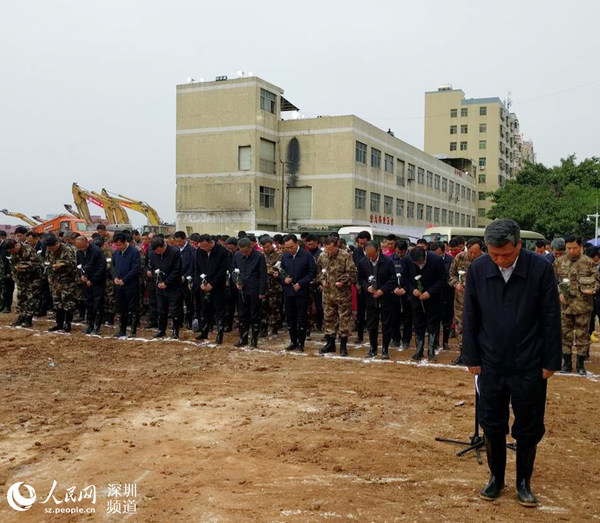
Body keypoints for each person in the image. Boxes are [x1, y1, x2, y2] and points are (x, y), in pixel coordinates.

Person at [462, 219, 562, 507]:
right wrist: (472, 356)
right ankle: (496, 479)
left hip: (529, 363)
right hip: (490, 363)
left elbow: (550, 318)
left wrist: (550, 360)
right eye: (494, 254)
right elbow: (471, 315)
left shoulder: (540, 269)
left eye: (506, 254)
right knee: (491, 422)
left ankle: (523, 482)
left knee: (528, 426)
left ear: (519, 245)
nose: (500, 260)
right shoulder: (479, 269)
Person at [554, 235, 599, 374]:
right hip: (564, 306)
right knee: (564, 335)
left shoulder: (589, 262)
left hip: (583, 306)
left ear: (581, 247)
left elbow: (597, 281)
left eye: (574, 248)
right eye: (568, 248)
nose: (571, 251)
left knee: (583, 336)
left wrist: (593, 289)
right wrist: (559, 292)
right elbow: (551, 282)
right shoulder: (558, 262)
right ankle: (566, 363)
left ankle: (580, 365)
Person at [404, 246, 446, 361]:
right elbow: (405, 278)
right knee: (418, 324)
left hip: (433, 299)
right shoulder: (408, 260)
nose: (418, 264)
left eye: (420, 262)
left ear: (425, 256)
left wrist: (430, 292)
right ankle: (419, 350)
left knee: (433, 325)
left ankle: (431, 351)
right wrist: (412, 289)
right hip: (416, 299)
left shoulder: (436, 260)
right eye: (416, 262)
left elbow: (442, 278)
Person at [317, 236, 357, 356]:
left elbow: (353, 274)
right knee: (328, 319)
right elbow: (319, 271)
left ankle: (343, 346)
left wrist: (343, 281)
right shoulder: (322, 256)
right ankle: (330, 344)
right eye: (327, 249)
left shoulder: (345, 256)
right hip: (328, 294)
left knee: (344, 320)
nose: (329, 252)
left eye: (331, 250)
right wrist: (322, 280)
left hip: (342, 294)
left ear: (337, 246)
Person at [276, 234, 316, 352]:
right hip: (288, 292)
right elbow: (280, 272)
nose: (289, 250)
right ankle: (293, 341)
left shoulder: (306, 255)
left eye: (291, 247)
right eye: (287, 247)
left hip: (302, 292)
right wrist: (284, 279)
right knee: (290, 318)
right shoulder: (285, 256)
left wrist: (301, 283)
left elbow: (312, 272)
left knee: (301, 318)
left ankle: (301, 342)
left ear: (296, 243)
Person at [357, 241, 397, 359]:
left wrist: (383, 290)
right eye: (368, 255)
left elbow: (393, 279)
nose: (371, 258)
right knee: (371, 324)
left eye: (373, 255)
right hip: (370, 298)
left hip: (385, 298)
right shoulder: (363, 263)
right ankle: (373, 348)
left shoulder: (388, 262)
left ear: (378, 251)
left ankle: (385, 349)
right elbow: (361, 278)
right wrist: (366, 287)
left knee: (386, 324)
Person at [448, 238, 484, 364]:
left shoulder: (486, 261)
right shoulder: (460, 258)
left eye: (475, 252)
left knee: (478, 326)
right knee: (460, 326)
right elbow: (451, 274)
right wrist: (456, 284)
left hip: (480, 301)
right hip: (461, 300)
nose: (472, 255)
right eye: (470, 252)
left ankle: (479, 354)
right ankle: (463, 354)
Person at [231, 238, 267, 348]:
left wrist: (262, 291)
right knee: (242, 315)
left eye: (246, 251)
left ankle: (254, 340)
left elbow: (263, 276)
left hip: (255, 290)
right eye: (242, 251)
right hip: (242, 290)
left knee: (255, 315)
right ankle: (243, 338)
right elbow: (233, 270)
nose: (244, 253)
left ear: (250, 247)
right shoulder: (237, 255)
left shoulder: (259, 256)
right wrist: (237, 281)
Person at [194, 234, 230, 344]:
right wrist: (201, 282)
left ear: (210, 243)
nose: (203, 249)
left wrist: (212, 284)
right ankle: (204, 331)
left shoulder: (222, 252)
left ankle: (220, 333)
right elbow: (197, 268)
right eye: (201, 247)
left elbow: (222, 271)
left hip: (218, 286)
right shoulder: (199, 252)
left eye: (205, 246)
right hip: (204, 286)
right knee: (205, 310)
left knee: (220, 311)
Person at [149, 237, 183, 339]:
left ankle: (175, 331)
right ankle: (161, 330)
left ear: (164, 246)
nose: (157, 253)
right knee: (161, 309)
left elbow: (177, 270)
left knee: (175, 309)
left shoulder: (175, 252)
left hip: (173, 286)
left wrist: (167, 282)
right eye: (155, 251)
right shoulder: (153, 253)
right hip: (160, 286)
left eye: (159, 250)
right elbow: (152, 268)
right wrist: (158, 280)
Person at [43, 234, 78, 332]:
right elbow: (47, 262)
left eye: (52, 247)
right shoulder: (49, 250)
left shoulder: (67, 250)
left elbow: (73, 264)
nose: (50, 249)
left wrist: (62, 265)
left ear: (57, 243)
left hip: (67, 280)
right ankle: (59, 323)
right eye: (49, 247)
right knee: (57, 302)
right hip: (55, 280)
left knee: (67, 302)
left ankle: (67, 323)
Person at [5, 238, 42, 327]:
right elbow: (13, 265)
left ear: (16, 245)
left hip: (33, 279)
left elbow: (37, 265)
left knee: (31, 298)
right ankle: (22, 316)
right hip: (21, 279)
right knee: (21, 298)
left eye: (12, 249)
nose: (12, 252)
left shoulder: (28, 250)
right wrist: (15, 276)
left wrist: (25, 267)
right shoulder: (13, 253)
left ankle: (28, 318)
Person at [112, 232, 142, 338]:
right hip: (119, 285)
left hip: (131, 284)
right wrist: (115, 277)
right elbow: (113, 267)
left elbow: (136, 268)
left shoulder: (134, 252)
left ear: (125, 242)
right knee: (121, 307)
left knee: (133, 307)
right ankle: (122, 329)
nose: (118, 247)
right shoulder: (116, 253)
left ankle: (133, 330)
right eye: (116, 245)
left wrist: (124, 279)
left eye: (120, 245)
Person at [75, 236, 106, 335]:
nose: (81, 249)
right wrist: (81, 275)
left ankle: (97, 326)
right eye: (79, 248)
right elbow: (79, 266)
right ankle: (90, 324)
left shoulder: (97, 251)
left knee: (98, 304)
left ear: (87, 243)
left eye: (83, 247)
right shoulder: (79, 252)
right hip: (86, 282)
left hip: (97, 282)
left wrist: (92, 280)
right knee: (88, 303)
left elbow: (102, 267)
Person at [430, 241, 455, 350]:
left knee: (446, 319)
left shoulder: (450, 260)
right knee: (434, 318)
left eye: (439, 254)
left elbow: (451, 276)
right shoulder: (429, 260)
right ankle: (434, 341)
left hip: (447, 293)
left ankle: (445, 342)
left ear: (444, 251)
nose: (436, 257)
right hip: (433, 294)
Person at [390, 239, 412, 349]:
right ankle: (395, 339)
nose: (399, 255)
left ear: (406, 250)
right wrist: (393, 288)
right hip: (393, 292)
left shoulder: (411, 260)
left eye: (401, 253)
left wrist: (405, 288)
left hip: (407, 293)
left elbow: (413, 277)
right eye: (397, 252)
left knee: (407, 317)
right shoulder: (390, 260)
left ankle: (407, 339)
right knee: (394, 316)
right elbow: (387, 275)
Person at [260, 236, 283, 336]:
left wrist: (278, 273)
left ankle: (274, 327)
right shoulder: (260, 255)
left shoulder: (279, 254)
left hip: (275, 285)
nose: (266, 249)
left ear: (272, 244)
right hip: (264, 285)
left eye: (268, 246)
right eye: (264, 247)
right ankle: (264, 327)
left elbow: (283, 268)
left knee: (275, 307)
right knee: (263, 306)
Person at [173, 231, 196, 330]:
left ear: (184, 239)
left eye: (179, 241)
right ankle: (179, 321)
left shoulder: (192, 250)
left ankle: (189, 321)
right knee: (177, 301)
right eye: (176, 241)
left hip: (187, 280)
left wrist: (185, 276)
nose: (178, 243)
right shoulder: (174, 250)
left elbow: (192, 266)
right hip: (176, 280)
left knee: (189, 302)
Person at [352, 230, 371, 343]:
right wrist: (357, 283)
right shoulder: (356, 252)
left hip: (372, 285)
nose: (362, 246)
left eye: (364, 243)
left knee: (372, 312)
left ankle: (372, 333)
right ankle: (360, 335)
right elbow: (354, 269)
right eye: (360, 244)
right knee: (360, 312)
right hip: (360, 285)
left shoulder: (375, 251)